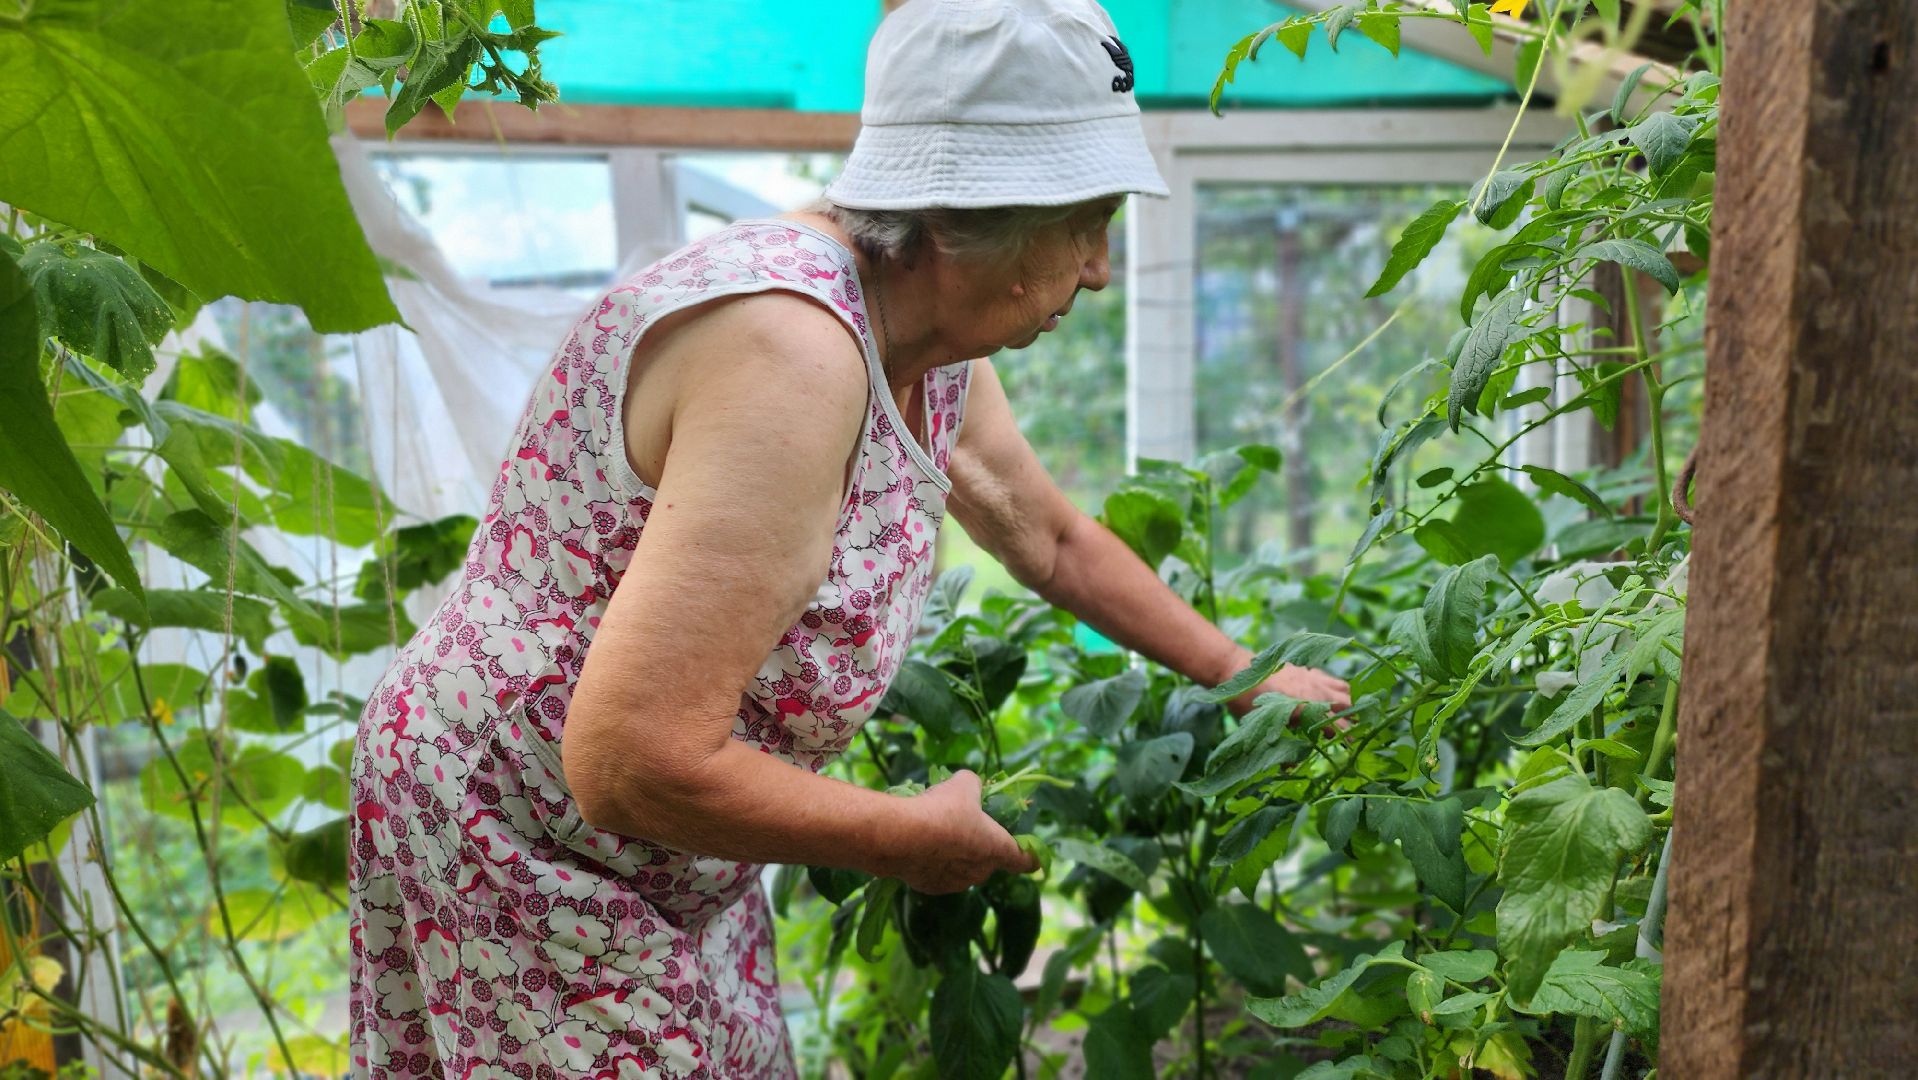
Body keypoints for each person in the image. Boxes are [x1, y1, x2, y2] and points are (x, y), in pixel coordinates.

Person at [347, 0, 1350, 1076]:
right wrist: (901, 835)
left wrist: (1240, 675)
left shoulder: (922, 339)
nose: (1098, 268)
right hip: (527, 831)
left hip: (672, 840)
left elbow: (1047, 538)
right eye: (1083, 222)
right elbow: (630, 757)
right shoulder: (787, 349)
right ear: (968, 218)